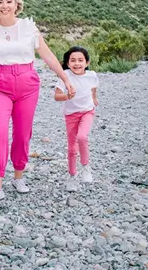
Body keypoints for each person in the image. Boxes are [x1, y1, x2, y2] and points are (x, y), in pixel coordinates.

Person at [0, 0, 74, 206]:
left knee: (23, 134)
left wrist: (65, 79)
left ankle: (18, 176)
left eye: (8, 1)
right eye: (0, 1)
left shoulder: (28, 28)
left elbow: (48, 56)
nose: (4, 5)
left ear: (16, 4)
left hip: (27, 86)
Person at [54, 46, 99, 191]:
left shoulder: (92, 75)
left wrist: (94, 98)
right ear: (68, 63)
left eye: (80, 60)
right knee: (72, 148)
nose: (77, 63)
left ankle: (86, 167)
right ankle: (72, 176)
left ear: (87, 62)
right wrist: (67, 96)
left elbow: (93, 87)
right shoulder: (65, 76)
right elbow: (56, 96)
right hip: (71, 115)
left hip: (87, 111)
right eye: (73, 60)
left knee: (82, 137)